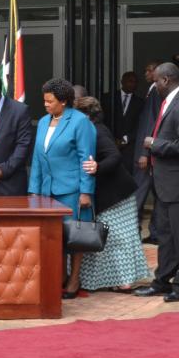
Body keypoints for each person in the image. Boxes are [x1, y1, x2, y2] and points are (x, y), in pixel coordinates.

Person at [134, 62, 179, 303]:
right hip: (166, 183)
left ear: (165, 80)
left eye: (155, 81)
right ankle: (162, 281)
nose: (153, 85)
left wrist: (155, 145)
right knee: (165, 235)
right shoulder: (170, 101)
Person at [28, 78, 96, 299]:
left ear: (64, 101)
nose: (46, 105)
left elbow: (85, 159)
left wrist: (86, 192)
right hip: (47, 191)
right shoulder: (44, 122)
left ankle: (74, 279)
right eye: (44, 101)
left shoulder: (79, 122)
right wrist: (34, 192)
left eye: (50, 101)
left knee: (75, 237)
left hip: (72, 191)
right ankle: (60, 277)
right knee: (54, 238)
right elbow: (38, 159)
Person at [75, 97, 149, 291]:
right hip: (107, 194)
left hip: (117, 195)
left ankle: (125, 282)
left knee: (120, 238)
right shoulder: (88, 130)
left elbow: (114, 156)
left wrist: (97, 167)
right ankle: (113, 281)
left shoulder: (98, 131)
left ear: (86, 115)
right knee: (108, 238)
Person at [133, 60, 163, 244]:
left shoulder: (156, 91)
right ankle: (155, 231)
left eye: (149, 70)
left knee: (139, 192)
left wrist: (145, 153)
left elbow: (152, 123)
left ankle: (134, 231)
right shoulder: (153, 90)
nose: (146, 73)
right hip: (148, 151)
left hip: (147, 152)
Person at [102, 71, 144, 175]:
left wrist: (125, 140)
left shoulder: (140, 102)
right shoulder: (108, 98)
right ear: (122, 82)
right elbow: (103, 120)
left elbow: (140, 125)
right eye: (130, 81)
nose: (133, 84)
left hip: (129, 147)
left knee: (126, 175)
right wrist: (111, 138)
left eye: (135, 82)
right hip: (109, 143)